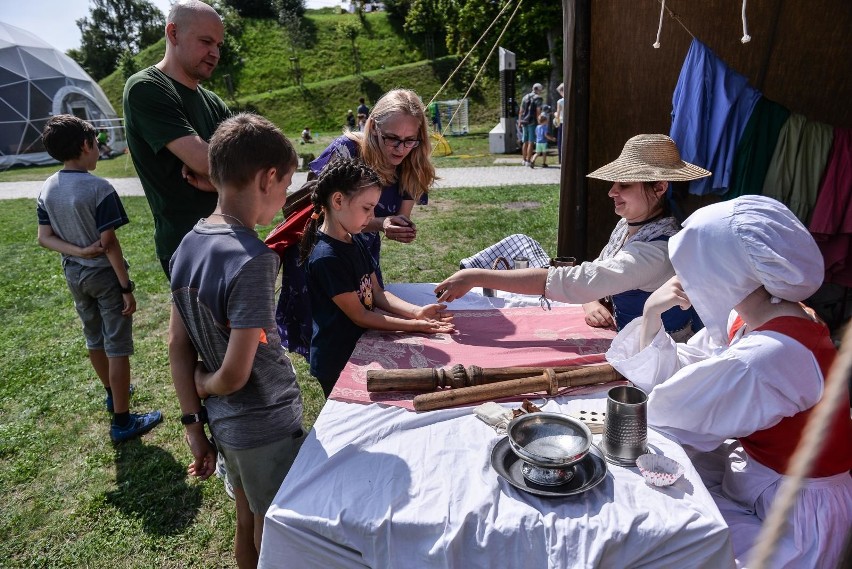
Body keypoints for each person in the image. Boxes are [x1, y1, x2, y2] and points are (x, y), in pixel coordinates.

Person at [605, 195, 852, 568]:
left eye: (694, 264)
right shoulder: (764, 315)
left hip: (793, 517)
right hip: (761, 480)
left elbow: (669, 413)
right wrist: (653, 313)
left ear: (726, 270)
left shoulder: (767, 354)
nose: (685, 275)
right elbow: (690, 378)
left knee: (658, 540)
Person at [168, 113, 304, 568]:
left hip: (226, 428)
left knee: (247, 520)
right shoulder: (254, 260)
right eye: (286, 184)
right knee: (277, 529)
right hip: (264, 426)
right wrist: (206, 386)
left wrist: (194, 427)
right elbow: (233, 373)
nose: (284, 197)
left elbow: (176, 345)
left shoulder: (187, 244)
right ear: (268, 177)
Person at [436, 134, 708, 339]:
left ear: (659, 187)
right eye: (614, 184)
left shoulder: (658, 251)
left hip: (661, 353)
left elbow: (577, 281)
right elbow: (595, 274)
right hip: (630, 336)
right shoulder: (631, 224)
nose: (612, 192)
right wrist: (590, 300)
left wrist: (476, 276)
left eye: (624, 185)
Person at [275, 88, 436, 358]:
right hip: (326, 247)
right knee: (329, 329)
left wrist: (399, 226)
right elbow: (319, 206)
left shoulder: (413, 161)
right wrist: (381, 223)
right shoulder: (347, 151)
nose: (401, 149)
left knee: (363, 320)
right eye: (393, 139)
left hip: (361, 251)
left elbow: (401, 215)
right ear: (373, 127)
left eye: (410, 140)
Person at [36, 115, 162, 443]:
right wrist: (125, 287)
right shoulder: (100, 188)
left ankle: (111, 392)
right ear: (85, 145)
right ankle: (123, 420)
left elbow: (44, 238)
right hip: (104, 277)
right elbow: (108, 244)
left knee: (93, 338)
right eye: (96, 143)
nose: (98, 150)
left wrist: (77, 251)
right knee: (117, 345)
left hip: (74, 275)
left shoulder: (47, 187)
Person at [299, 157, 454, 397]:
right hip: (338, 360)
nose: (372, 216)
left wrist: (416, 312)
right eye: (367, 208)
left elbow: (377, 293)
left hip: (362, 348)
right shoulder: (326, 258)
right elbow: (361, 315)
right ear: (338, 200)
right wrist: (414, 327)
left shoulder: (355, 238)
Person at [123, 0, 231, 279]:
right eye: (206, 41)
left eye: (218, 45)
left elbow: (252, 161)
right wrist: (222, 177)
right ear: (173, 34)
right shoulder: (146, 88)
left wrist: (215, 182)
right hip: (189, 247)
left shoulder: (213, 101)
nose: (215, 53)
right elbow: (205, 162)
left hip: (231, 236)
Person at [518, 83, 543, 167]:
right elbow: (538, 111)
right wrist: (539, 122)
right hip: (532, 122)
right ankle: (529, 160)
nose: (541, 92)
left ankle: (523, 160)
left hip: (524, 121)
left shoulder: (525, 97)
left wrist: (520, 121)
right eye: (541, 90)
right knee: (531, 142)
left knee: (525, 141)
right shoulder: (538, 98)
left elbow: (521, 110)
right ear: (538, 90)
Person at [553, 82, 565, 164]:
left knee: (560, 141)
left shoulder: (560, 101)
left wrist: (555, 115)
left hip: (562, 122)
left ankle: (561, 159)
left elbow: (558, 113)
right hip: (569, 123)